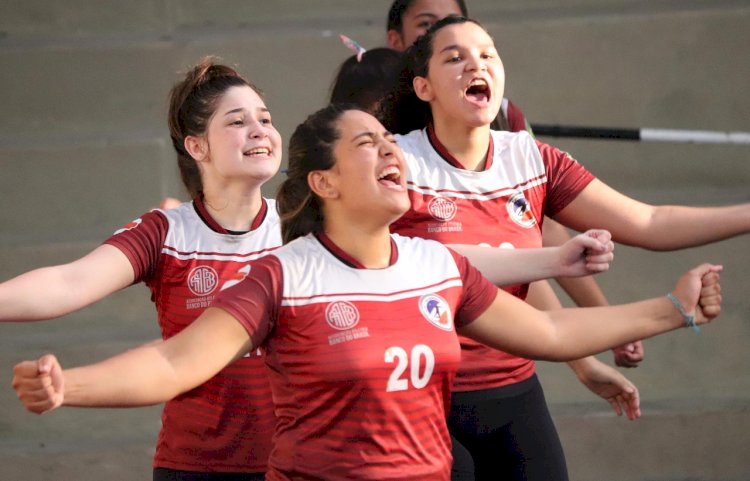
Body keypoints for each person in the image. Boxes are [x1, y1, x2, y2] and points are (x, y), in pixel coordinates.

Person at [12, 104, 723, 481]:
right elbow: (176, 363)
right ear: (323, 182)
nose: (390, 152)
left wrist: (674, 306)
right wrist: (68, 385)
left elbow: (553, 336)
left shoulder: (435, 266)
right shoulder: (284, 274)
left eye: (390, 140)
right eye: (366, 144)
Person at [378, 15, 749, 481]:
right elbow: (420, 264)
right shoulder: (396, 162)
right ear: (423, 87)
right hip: (420, 396)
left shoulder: (532, 159)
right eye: (454, 58)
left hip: (514, 390)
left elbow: (650, 221)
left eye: (488, 54)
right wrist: (555, 262)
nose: (477, 64)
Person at [0, 57, 284, 480]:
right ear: (197, 147)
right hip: (193, 468)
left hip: (294, 465)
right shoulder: (167, 232)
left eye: (265, 118)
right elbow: (70, 280)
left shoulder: (302, 228)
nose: (259, 129)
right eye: (237, 121)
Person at [385, 0, 645, 369]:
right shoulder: (385, 143)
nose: (474, 62)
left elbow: (525, 237)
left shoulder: (514, 136)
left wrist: (595, 334)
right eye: (430, 27)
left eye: (486, 51)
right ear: (398, 42)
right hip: (424, 369)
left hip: (510, 369)